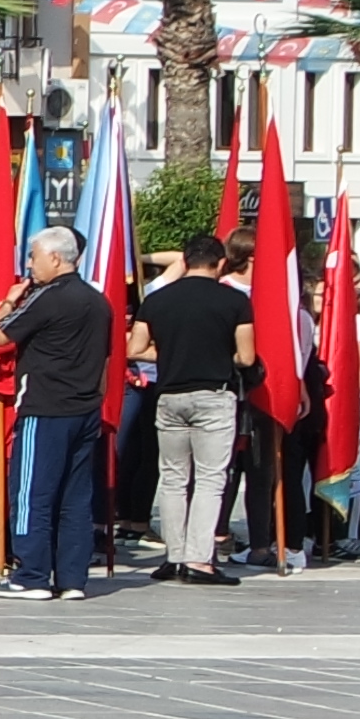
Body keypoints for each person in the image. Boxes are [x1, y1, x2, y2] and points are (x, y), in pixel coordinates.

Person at [0, 226, 113, 601]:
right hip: (85, 407)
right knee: (76, 498)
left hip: (45, 409)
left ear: (56, 258)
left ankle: (31, 576)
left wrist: (9, 301)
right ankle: (72, 579)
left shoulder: (46, 297)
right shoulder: (98, 301)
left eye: (34, 257)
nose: (30, 265)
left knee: (32, 495)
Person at [129, 234, 255, 584]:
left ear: (185, 260)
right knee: (211, 479)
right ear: (220, 264)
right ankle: (199, 559)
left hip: (169, 396)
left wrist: (170, 354)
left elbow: (134, 348)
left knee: (172, 478)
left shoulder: (158, 299)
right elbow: (247, 356)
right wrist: (216, 355)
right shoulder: (234, 301)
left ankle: (173, 555)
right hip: (213, 395)